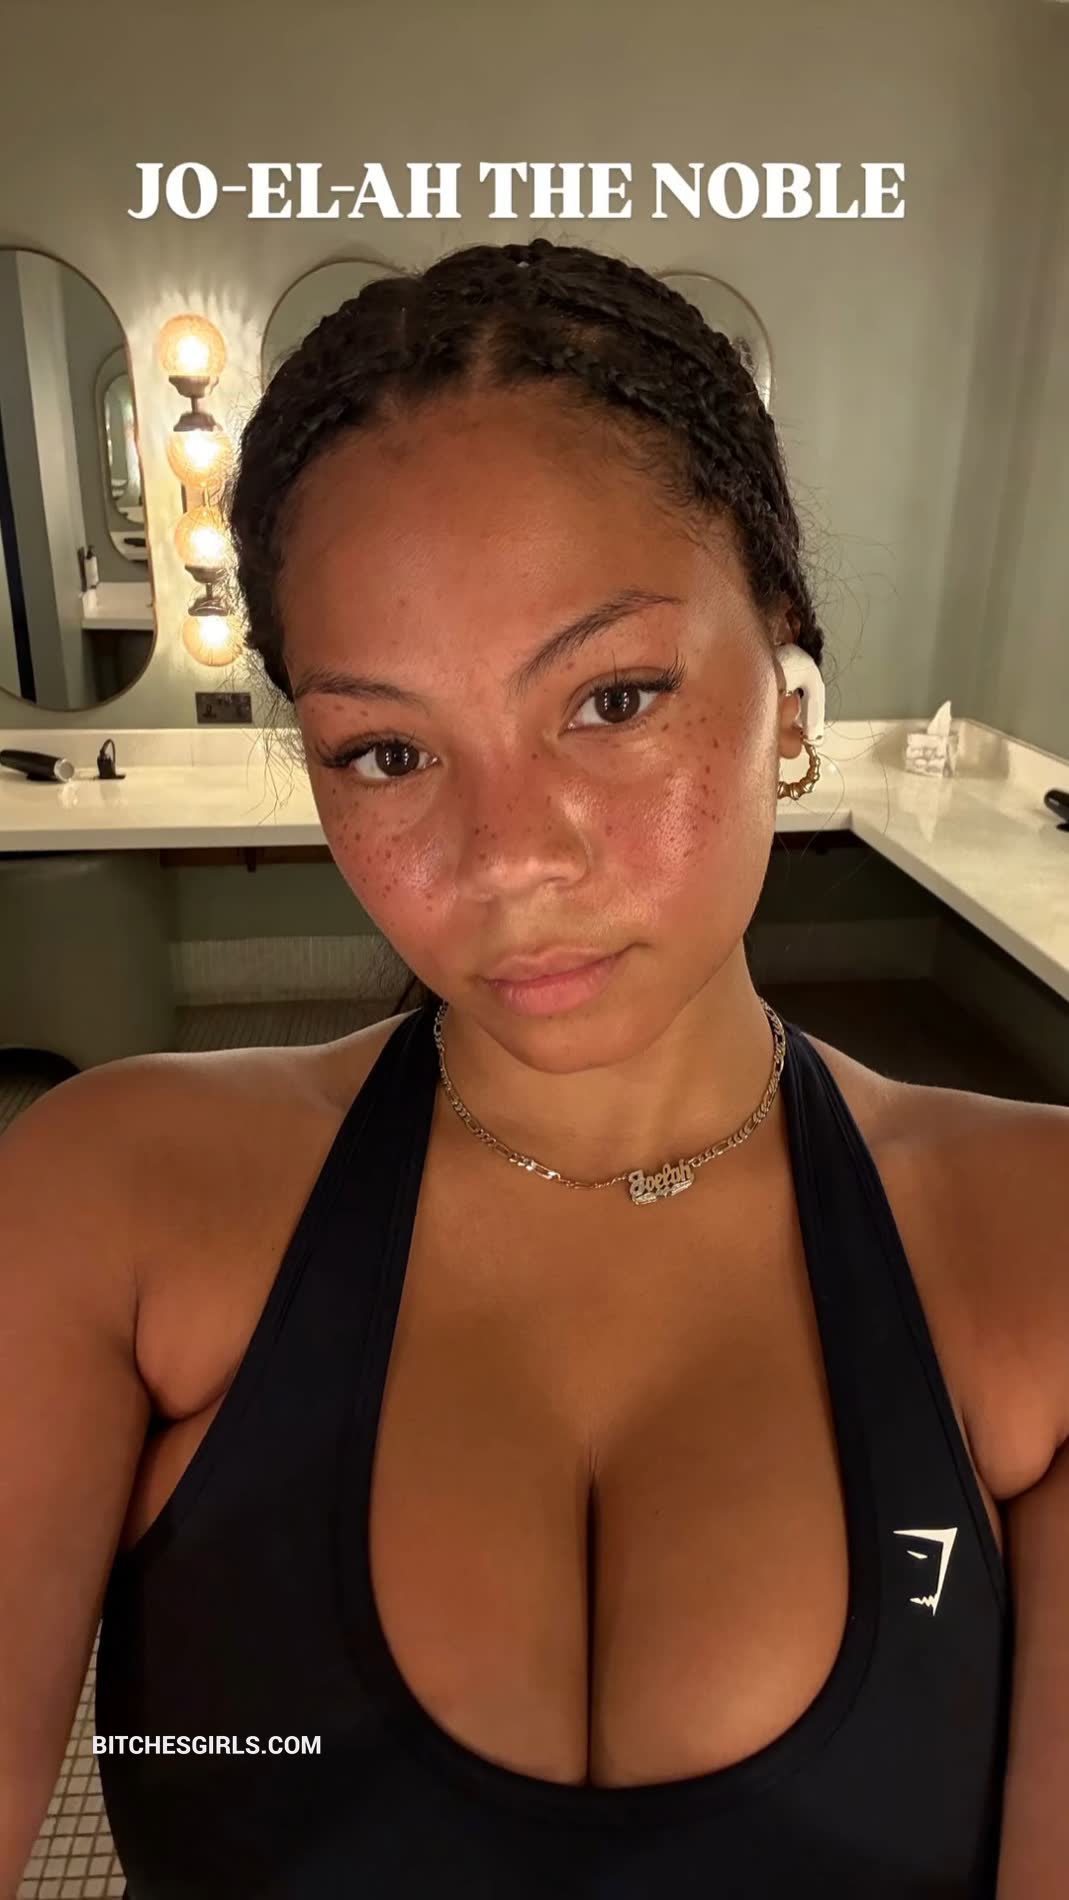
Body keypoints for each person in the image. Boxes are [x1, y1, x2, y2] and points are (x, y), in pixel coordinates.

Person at [2, 237, 1067, 1900]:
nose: (508, 857)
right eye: (388, 750)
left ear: (786, 678)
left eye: (612, 698)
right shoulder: (107, 1203)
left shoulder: (1036, 1243)